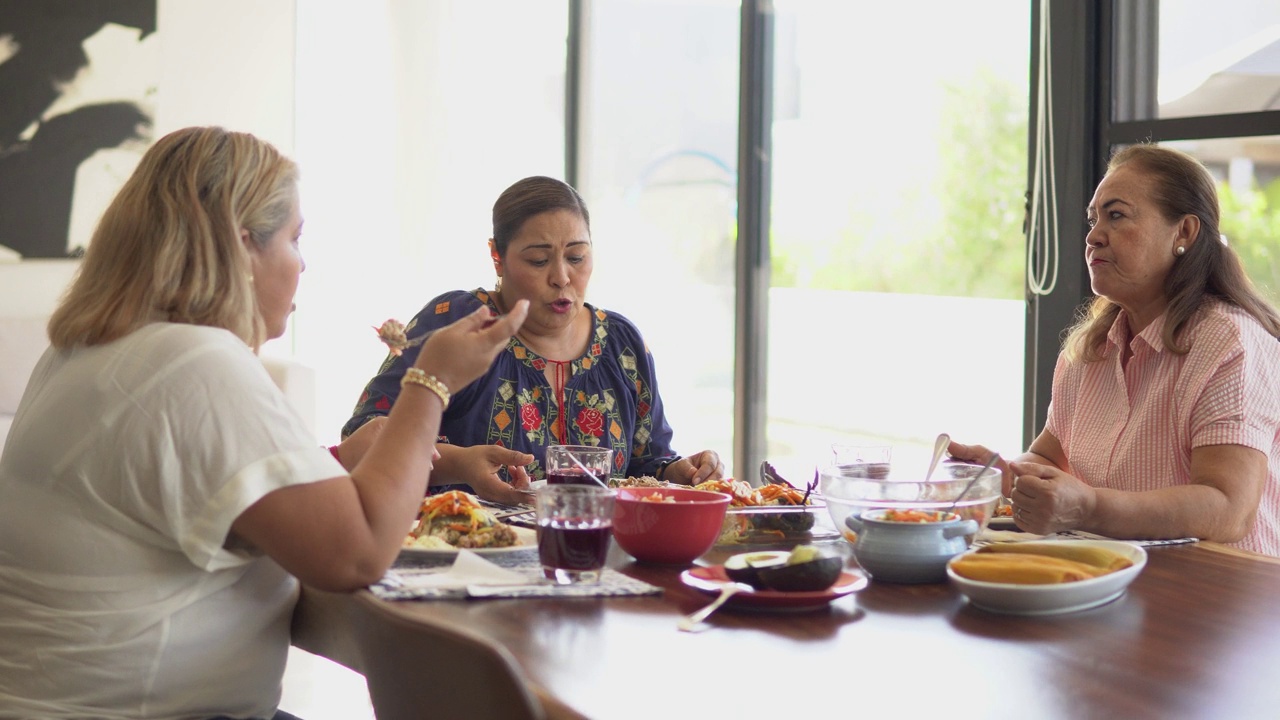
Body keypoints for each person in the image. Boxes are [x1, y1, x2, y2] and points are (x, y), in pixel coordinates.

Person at [0, 126, 528, 719]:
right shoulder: (193, 363)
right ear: (241, 246)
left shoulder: (93, 350)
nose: (303, 264)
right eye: (295, 239)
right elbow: (356, 555)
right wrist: (430, 383)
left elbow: (186, 497)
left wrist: (333, 466)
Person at [950, 144, 1280, 556]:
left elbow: (1228, 510)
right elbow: (1048, 460)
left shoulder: (1230, 343)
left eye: (1116, 215)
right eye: (1093, 219)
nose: (1092, 236)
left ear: (1184, 233)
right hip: (1117, 581)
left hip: (1223, 599)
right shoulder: (1090, 348)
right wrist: (1002, 478)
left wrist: (1087, 506)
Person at [343, 175, 724, 502]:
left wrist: (680, 473)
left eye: (576, 257)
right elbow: (363, 439)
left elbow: (645, 463)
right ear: (497, 257)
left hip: (590, 552)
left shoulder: (621, 343)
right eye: (539, 261)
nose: (561, 276)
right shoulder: (459, 323)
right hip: (465, 555)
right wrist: (457, 463)